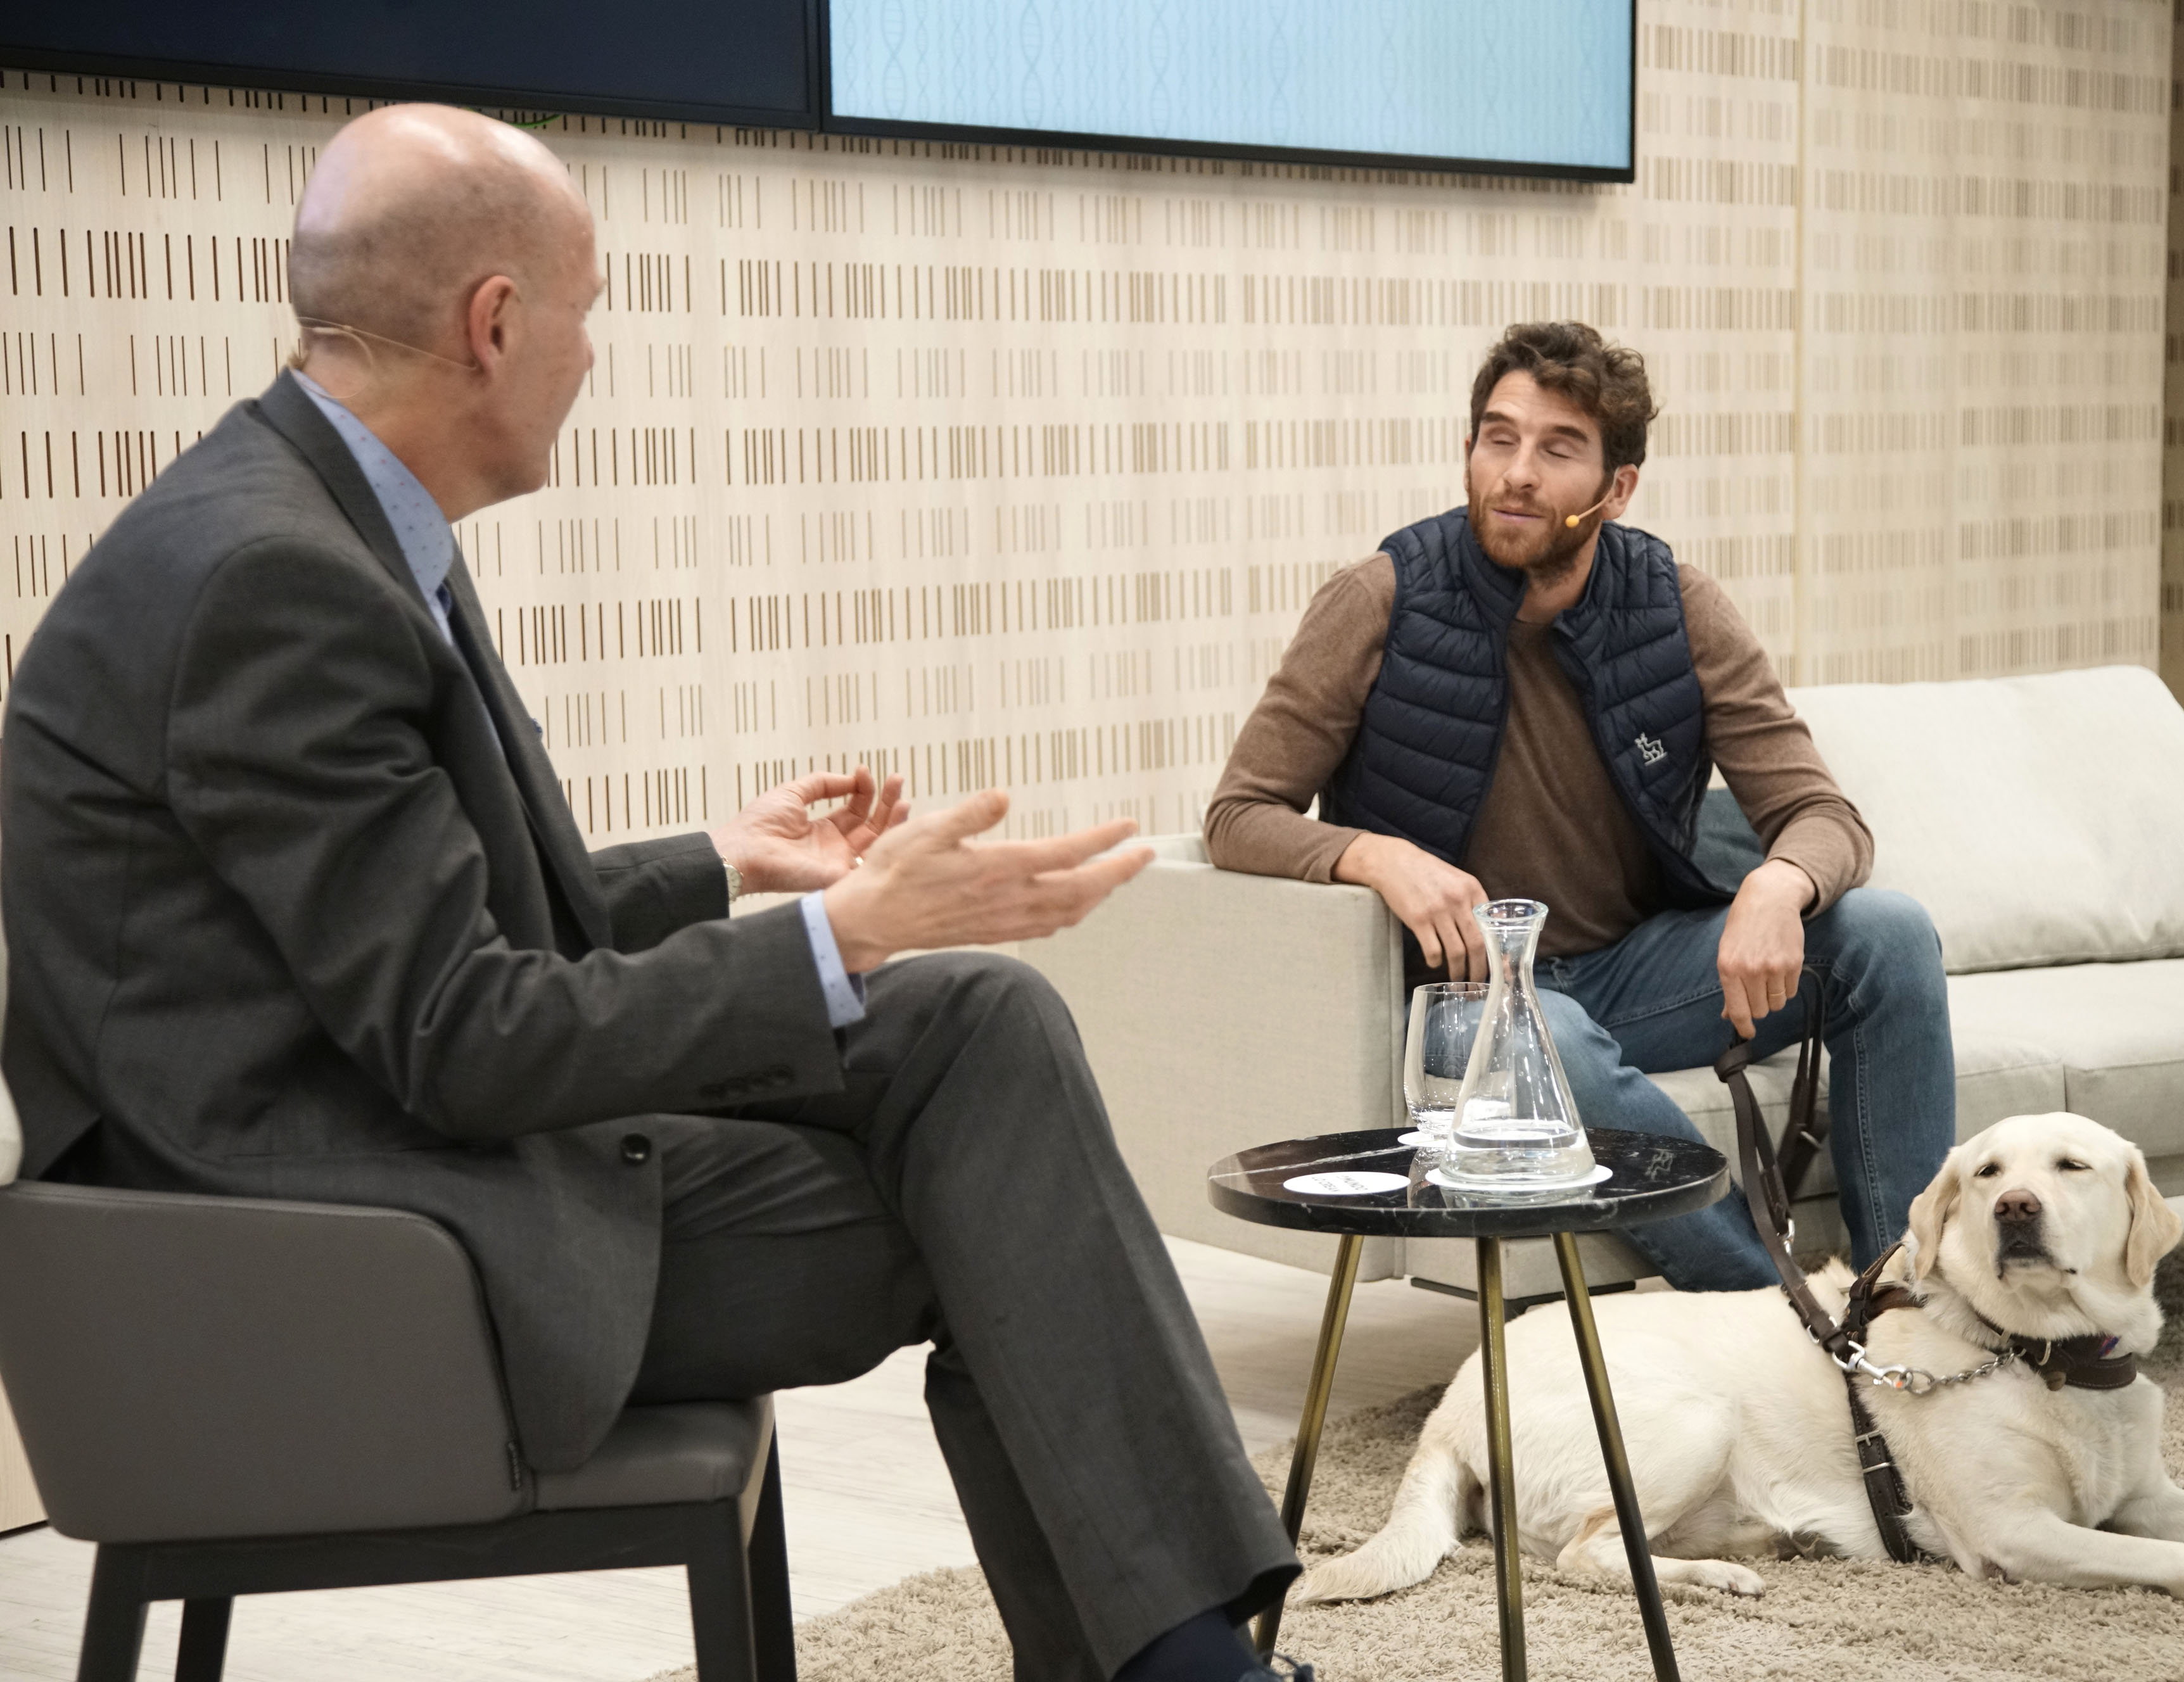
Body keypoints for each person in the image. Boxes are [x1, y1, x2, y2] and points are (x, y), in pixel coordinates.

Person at [0, 106, 1296, 1682]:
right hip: (327, 1236)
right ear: (494, 323)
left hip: (358, 1128)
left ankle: (1175, 1664)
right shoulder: (281, 584)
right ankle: (1184, 1668)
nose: (595, 353)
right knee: (1005, 1209)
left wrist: (728, 867)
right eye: (588, 310)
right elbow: (469, 1031)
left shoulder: (308, 513)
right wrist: (848, 928)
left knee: (976, 1026)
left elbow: (415, 935)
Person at [1205, 320, 1953, 1287]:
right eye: (1497, 437)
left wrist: (1780, 884)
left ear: (1617, 487)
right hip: (1464, 999)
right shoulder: (1379, 598)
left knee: (1886, 933)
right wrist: (1374, 856)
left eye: (1558, 450)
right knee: (1543, 1039)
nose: (1516, 472)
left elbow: (1825, 815)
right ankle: (1774, 1309)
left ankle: (1906, 1288)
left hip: (1635, 970)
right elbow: (1238, 815)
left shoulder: (1675, 603)